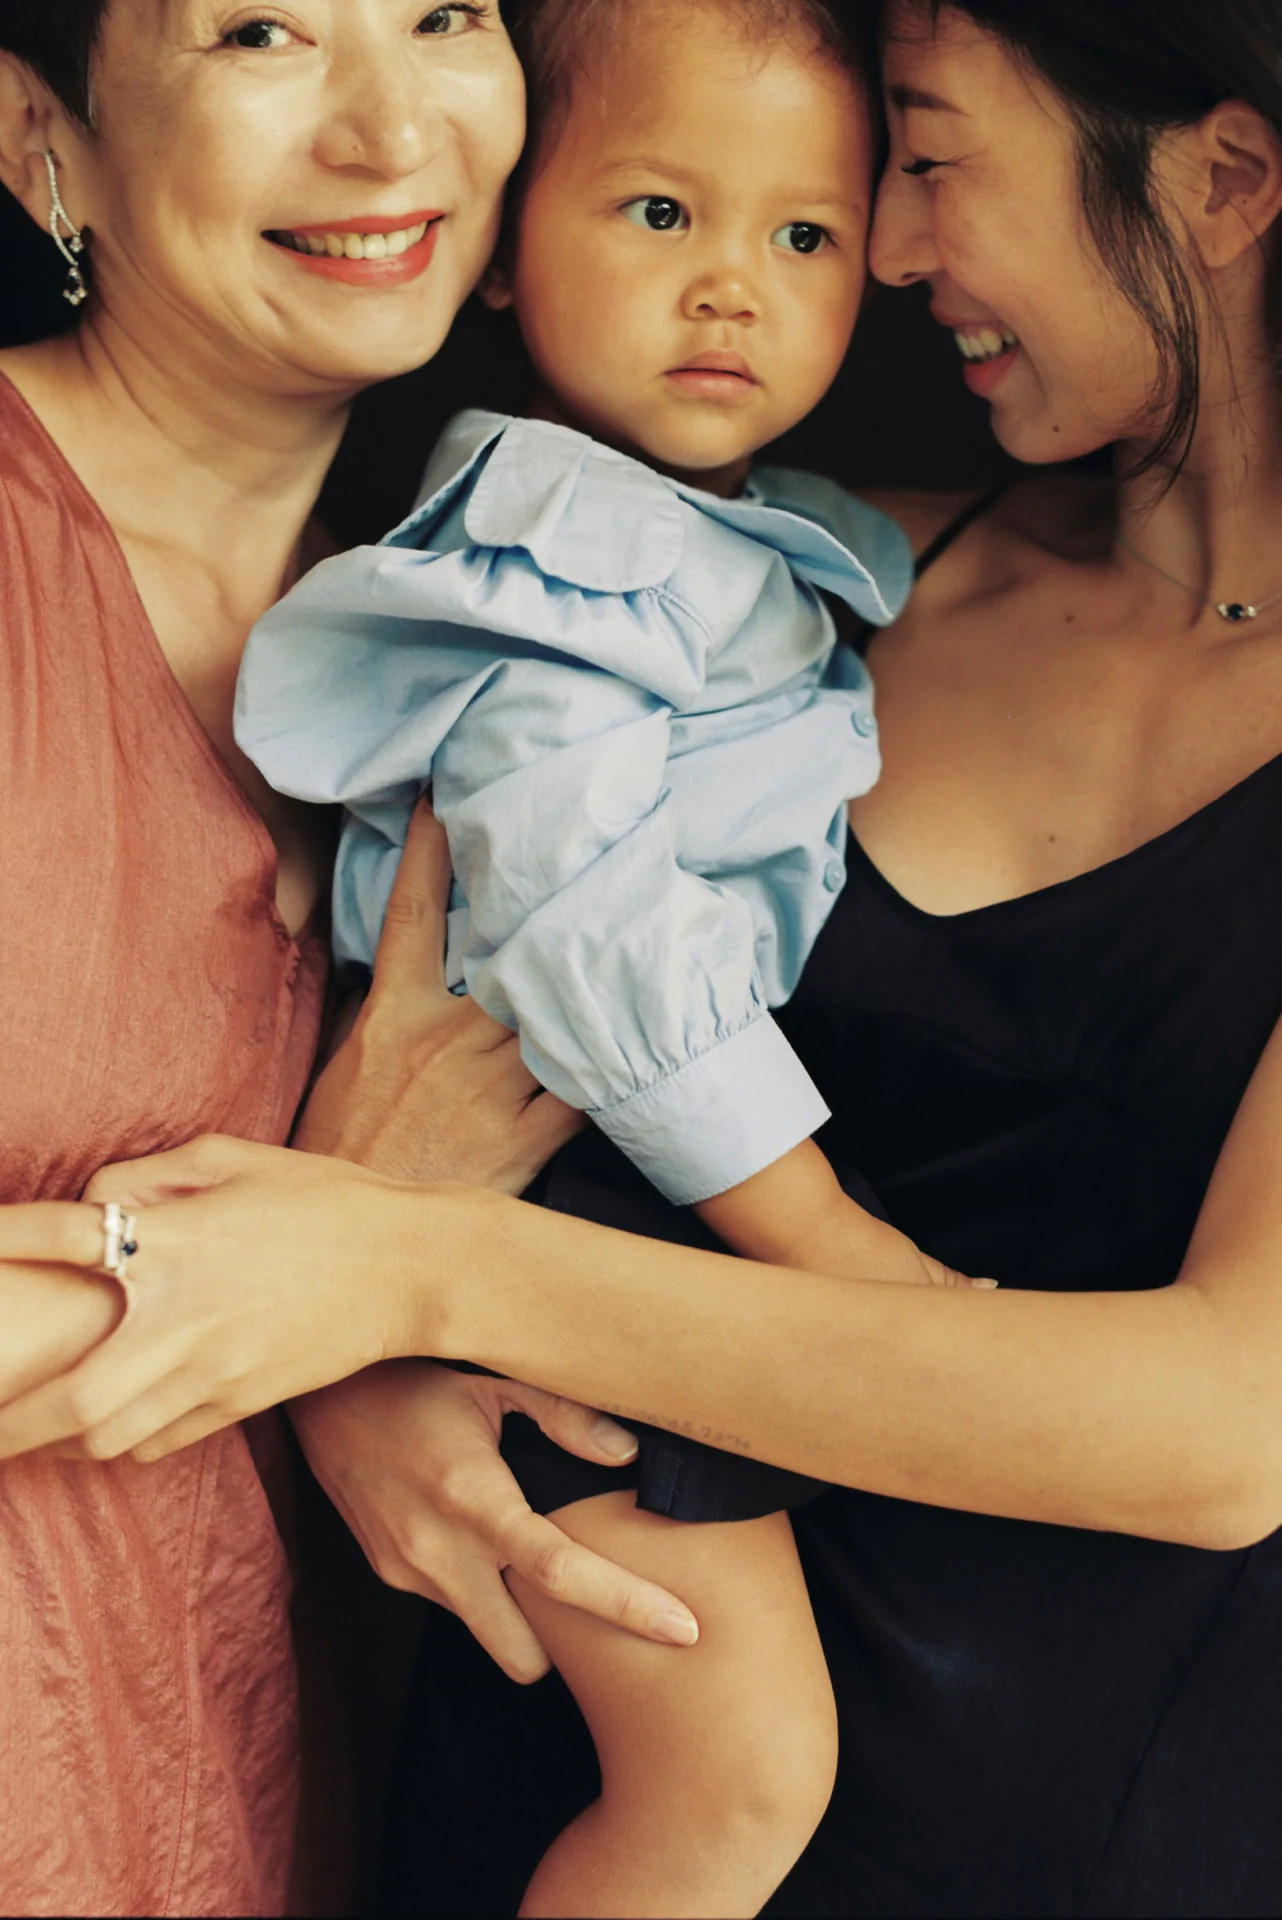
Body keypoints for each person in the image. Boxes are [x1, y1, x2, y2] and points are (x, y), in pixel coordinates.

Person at [8, 0, 1282, 1913]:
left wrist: (402, 1274)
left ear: (1228, 180)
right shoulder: (788, 579)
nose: (886, 244)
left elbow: (1222, 1433)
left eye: (904, 171)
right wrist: (359, 1325)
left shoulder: (786, 575)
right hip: (523, 1728)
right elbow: (393, 1043)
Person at [234, 2, 981, 1911]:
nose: (730, 289)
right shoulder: (557, 547)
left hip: (629, 1174)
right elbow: (579, 910)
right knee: (735, 1782)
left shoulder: (747, 541)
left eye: (799, 238)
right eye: (658, 212)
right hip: (580, 1185)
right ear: (501, 244)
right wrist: (810, 1232)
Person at [0, 3, 602, 1912]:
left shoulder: (493, 657)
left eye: (443, 16)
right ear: (40, 140)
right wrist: (328, 1253)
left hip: (237, 1790)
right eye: (261, 27)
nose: (387, 127)